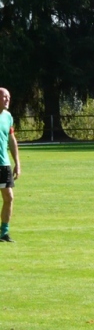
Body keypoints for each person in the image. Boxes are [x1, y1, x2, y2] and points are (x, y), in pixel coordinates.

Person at [0, 88, 20, 243]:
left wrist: (17, 163)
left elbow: (12, 141)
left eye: (9, 97)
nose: (7, 99)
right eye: (4, 96)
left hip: (3, 164)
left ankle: (4, 233)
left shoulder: (8, 117)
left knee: (9, 197)